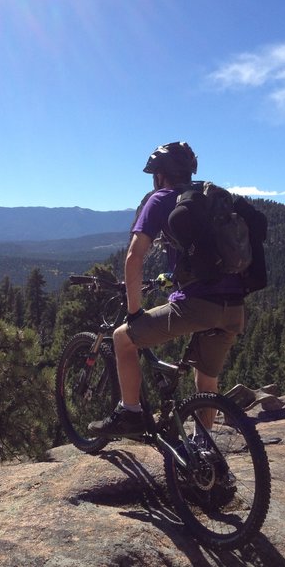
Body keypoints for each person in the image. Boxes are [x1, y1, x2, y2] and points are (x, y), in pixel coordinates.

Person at [88, 141, 246, 437]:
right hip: (235, 306)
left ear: (160, 175)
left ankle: (131, 413)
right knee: (206, 380)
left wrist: (134, 312)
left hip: (200, 305)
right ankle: (204, 449)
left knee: (123, 338)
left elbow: (134, 257)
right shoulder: (208, 199)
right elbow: (205, 258)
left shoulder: (161, 199)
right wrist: (172, 278)